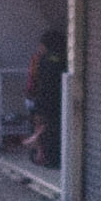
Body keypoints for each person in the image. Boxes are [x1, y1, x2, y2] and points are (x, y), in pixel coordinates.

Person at [26, 24, 67, 167]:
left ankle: (41, 154)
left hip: (44, 100)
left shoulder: (43, 60)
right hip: (58, 101)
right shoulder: (63, 59)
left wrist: (32, 96)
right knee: (52, 129)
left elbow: (37, 79)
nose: (39, 47)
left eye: (41, 45)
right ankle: (49, 156)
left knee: (41, 128)